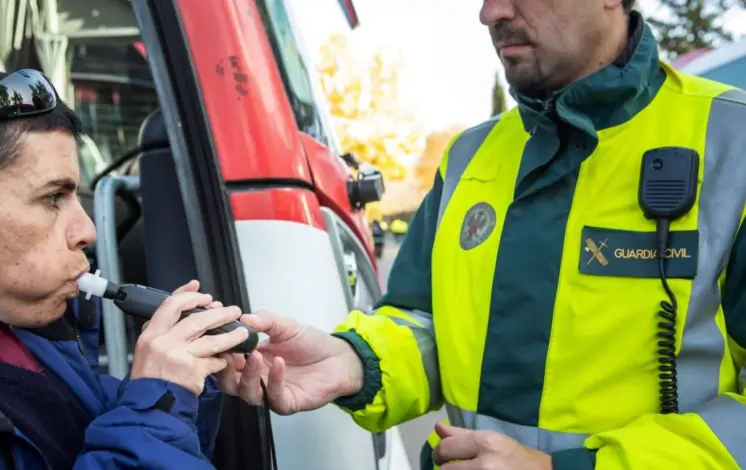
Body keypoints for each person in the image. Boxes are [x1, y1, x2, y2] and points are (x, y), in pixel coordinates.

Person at [221, 1, 746, 469]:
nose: (490, 13)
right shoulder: (469, 156)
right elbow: (423, 321)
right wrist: (356, 363)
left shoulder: (734, 141)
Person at [0, 63, 251, 468]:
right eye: (53, 197)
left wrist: (187, 383)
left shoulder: (32, 335)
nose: (87, 230)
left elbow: (106, 431)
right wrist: (156, 407)